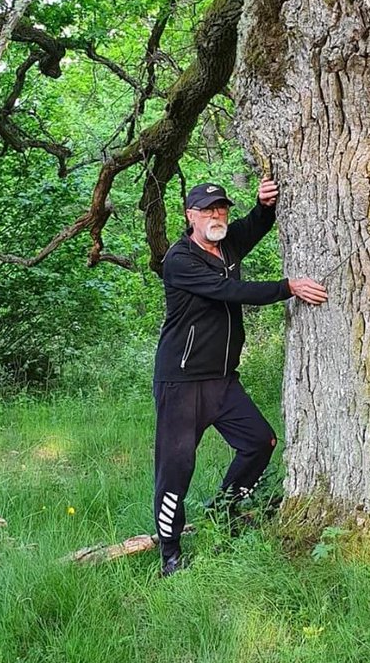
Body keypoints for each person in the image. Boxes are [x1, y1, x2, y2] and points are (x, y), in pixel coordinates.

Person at [153, 177, 327, 576]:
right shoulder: (180, 260)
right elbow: (230, 292)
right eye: (208, 210)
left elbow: (253, 226)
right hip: (181, 382)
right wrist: (288, 287)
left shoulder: (226, 244)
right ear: (190, 216)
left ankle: (224, 510)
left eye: (222, 209)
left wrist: (265, 206)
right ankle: (170, 552)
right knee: (175, 468)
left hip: (223, 380)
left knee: (260, 441)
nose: (217, 215)